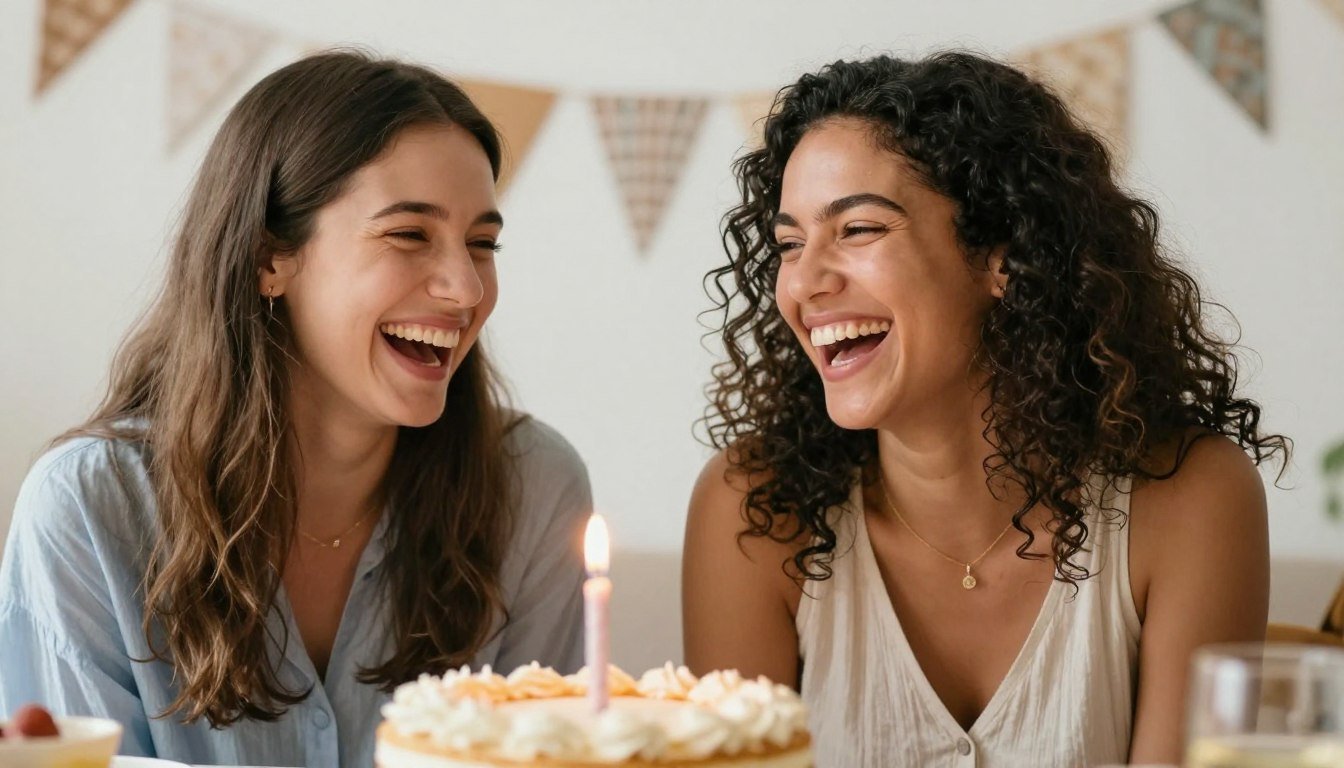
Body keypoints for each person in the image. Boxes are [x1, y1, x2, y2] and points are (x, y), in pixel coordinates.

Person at [684, 51, 1288, 766]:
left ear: (1002, 254)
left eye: (859, 230)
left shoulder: (1188, 500)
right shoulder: (756, 510)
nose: (805, 282)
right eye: (789, 244)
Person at [0, 51, 591, 767]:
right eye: (410, 235)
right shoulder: (90, 509)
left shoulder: (534, 491)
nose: (466, 290)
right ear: (267, 259)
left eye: (483, 244)